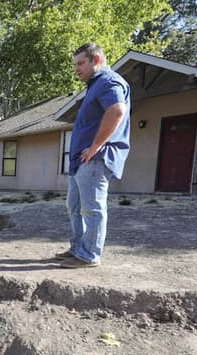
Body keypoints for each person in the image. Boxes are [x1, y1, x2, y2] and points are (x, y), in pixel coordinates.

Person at [57, 42, 131, 268]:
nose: (76, 69)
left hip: (96, 159)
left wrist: (96, 146)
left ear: (96, 60)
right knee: (74, 206)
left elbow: (117, 110)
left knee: (92, 209)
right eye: (75, 64)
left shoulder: (108, 81)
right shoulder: (95, 86)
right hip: (81, 162)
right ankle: (78, 248)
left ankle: (89, 255)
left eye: (80, 63)